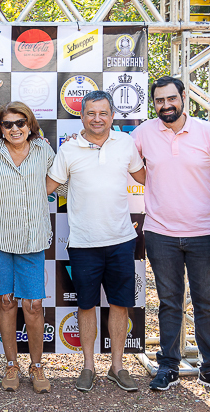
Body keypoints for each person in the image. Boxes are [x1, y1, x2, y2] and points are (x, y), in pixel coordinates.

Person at [132, 76, 210, 394]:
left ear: (183, 98)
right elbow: (131, 167)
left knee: (206, 303)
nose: (165, 105)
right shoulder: (143, 133)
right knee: (169, 302)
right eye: (159, 100)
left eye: (171, 98)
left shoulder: (207, 132)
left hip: (204, 232)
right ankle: (168, 366)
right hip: (160, 233)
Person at [46, 90, 146, 393]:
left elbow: (144, 178)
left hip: (122, 240)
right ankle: (88, 366)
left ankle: (117, 367)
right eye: (91, 113)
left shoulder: (125, 143)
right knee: (86, 306)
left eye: (103, 113)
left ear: (112, 116)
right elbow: (47, 187)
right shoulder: (68, 149)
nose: (97, 118)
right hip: (83, 243)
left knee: (120, 305)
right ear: (82, 116)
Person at [0, 101, 54, 393]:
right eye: (7, 124)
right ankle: (11, 364)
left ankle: (37, 366)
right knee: (6, 301)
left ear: (30, 124)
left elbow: (60, 183)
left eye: (20, 123)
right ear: (0, 127)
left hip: (32, 238)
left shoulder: (44, 150)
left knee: (33, 305)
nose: (14, 129)